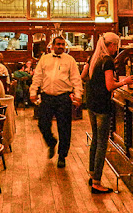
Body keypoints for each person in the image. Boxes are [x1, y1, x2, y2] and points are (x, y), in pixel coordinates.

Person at [81, 33, 133, 193]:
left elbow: (83, 76)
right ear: (110, 45)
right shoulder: (108, 61)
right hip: (102, 105)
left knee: (95, 140)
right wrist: (124, 81)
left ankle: (92, 175)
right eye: (116, 45)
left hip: (91, 103)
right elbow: (110, 86)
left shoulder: (94, 58)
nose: (116, 49)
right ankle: (97, 182)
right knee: (102, 143)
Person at [29, 36, 83, 168]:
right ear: (52, 46)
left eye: (63, 45)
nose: (60, 47)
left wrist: (78, 95)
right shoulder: (44, 59)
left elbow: (76, 78)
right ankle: (52, 142)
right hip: (47, 96)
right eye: (58, 44)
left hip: (63, 97)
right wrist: (33, 92)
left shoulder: (70, 60)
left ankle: (62, 156)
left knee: (64, 128)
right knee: (42, 123)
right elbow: (38, 77)